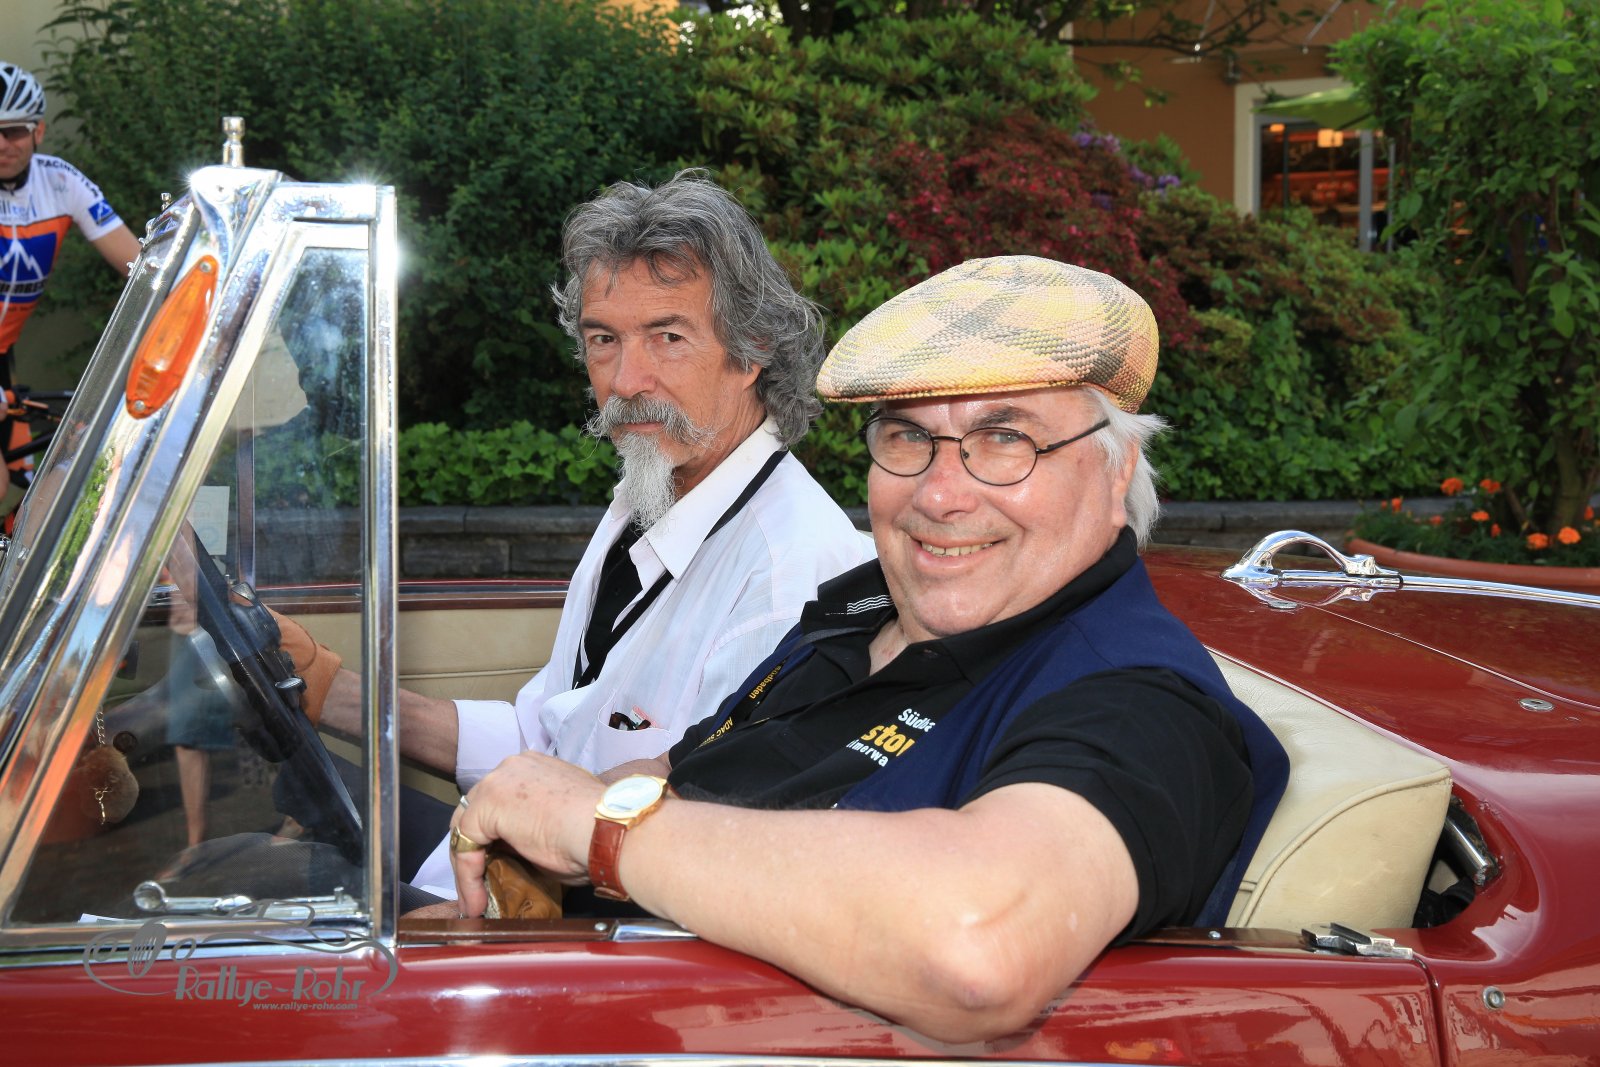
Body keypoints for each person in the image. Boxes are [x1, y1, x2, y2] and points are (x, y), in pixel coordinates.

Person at [442, 256, 1288, 1043]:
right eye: (908, 437)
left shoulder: (1137, 697)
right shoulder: (860, 607)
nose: (940, 493)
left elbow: (975, 941)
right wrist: (541, 829)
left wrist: (600, 829)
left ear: (1115, 470)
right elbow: (684, 769)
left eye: (1006, 438)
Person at [304, 171, 872, 894]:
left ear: (751, 351)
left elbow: (717, 845)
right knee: (301, 813)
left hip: (589, 916)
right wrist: (323, 689)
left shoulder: (790, 574)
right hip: (518, 871)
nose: (626, 380)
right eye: (604, 339)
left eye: (668, 337)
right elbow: (546, 734)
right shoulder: (647, 494)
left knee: (281, 870)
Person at [0, 62, 141, 510]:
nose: (1, 144)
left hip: (3, 357)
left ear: (38, 131)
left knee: (53, 486)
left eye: (13, 131)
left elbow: (142, 270)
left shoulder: (60, 182)